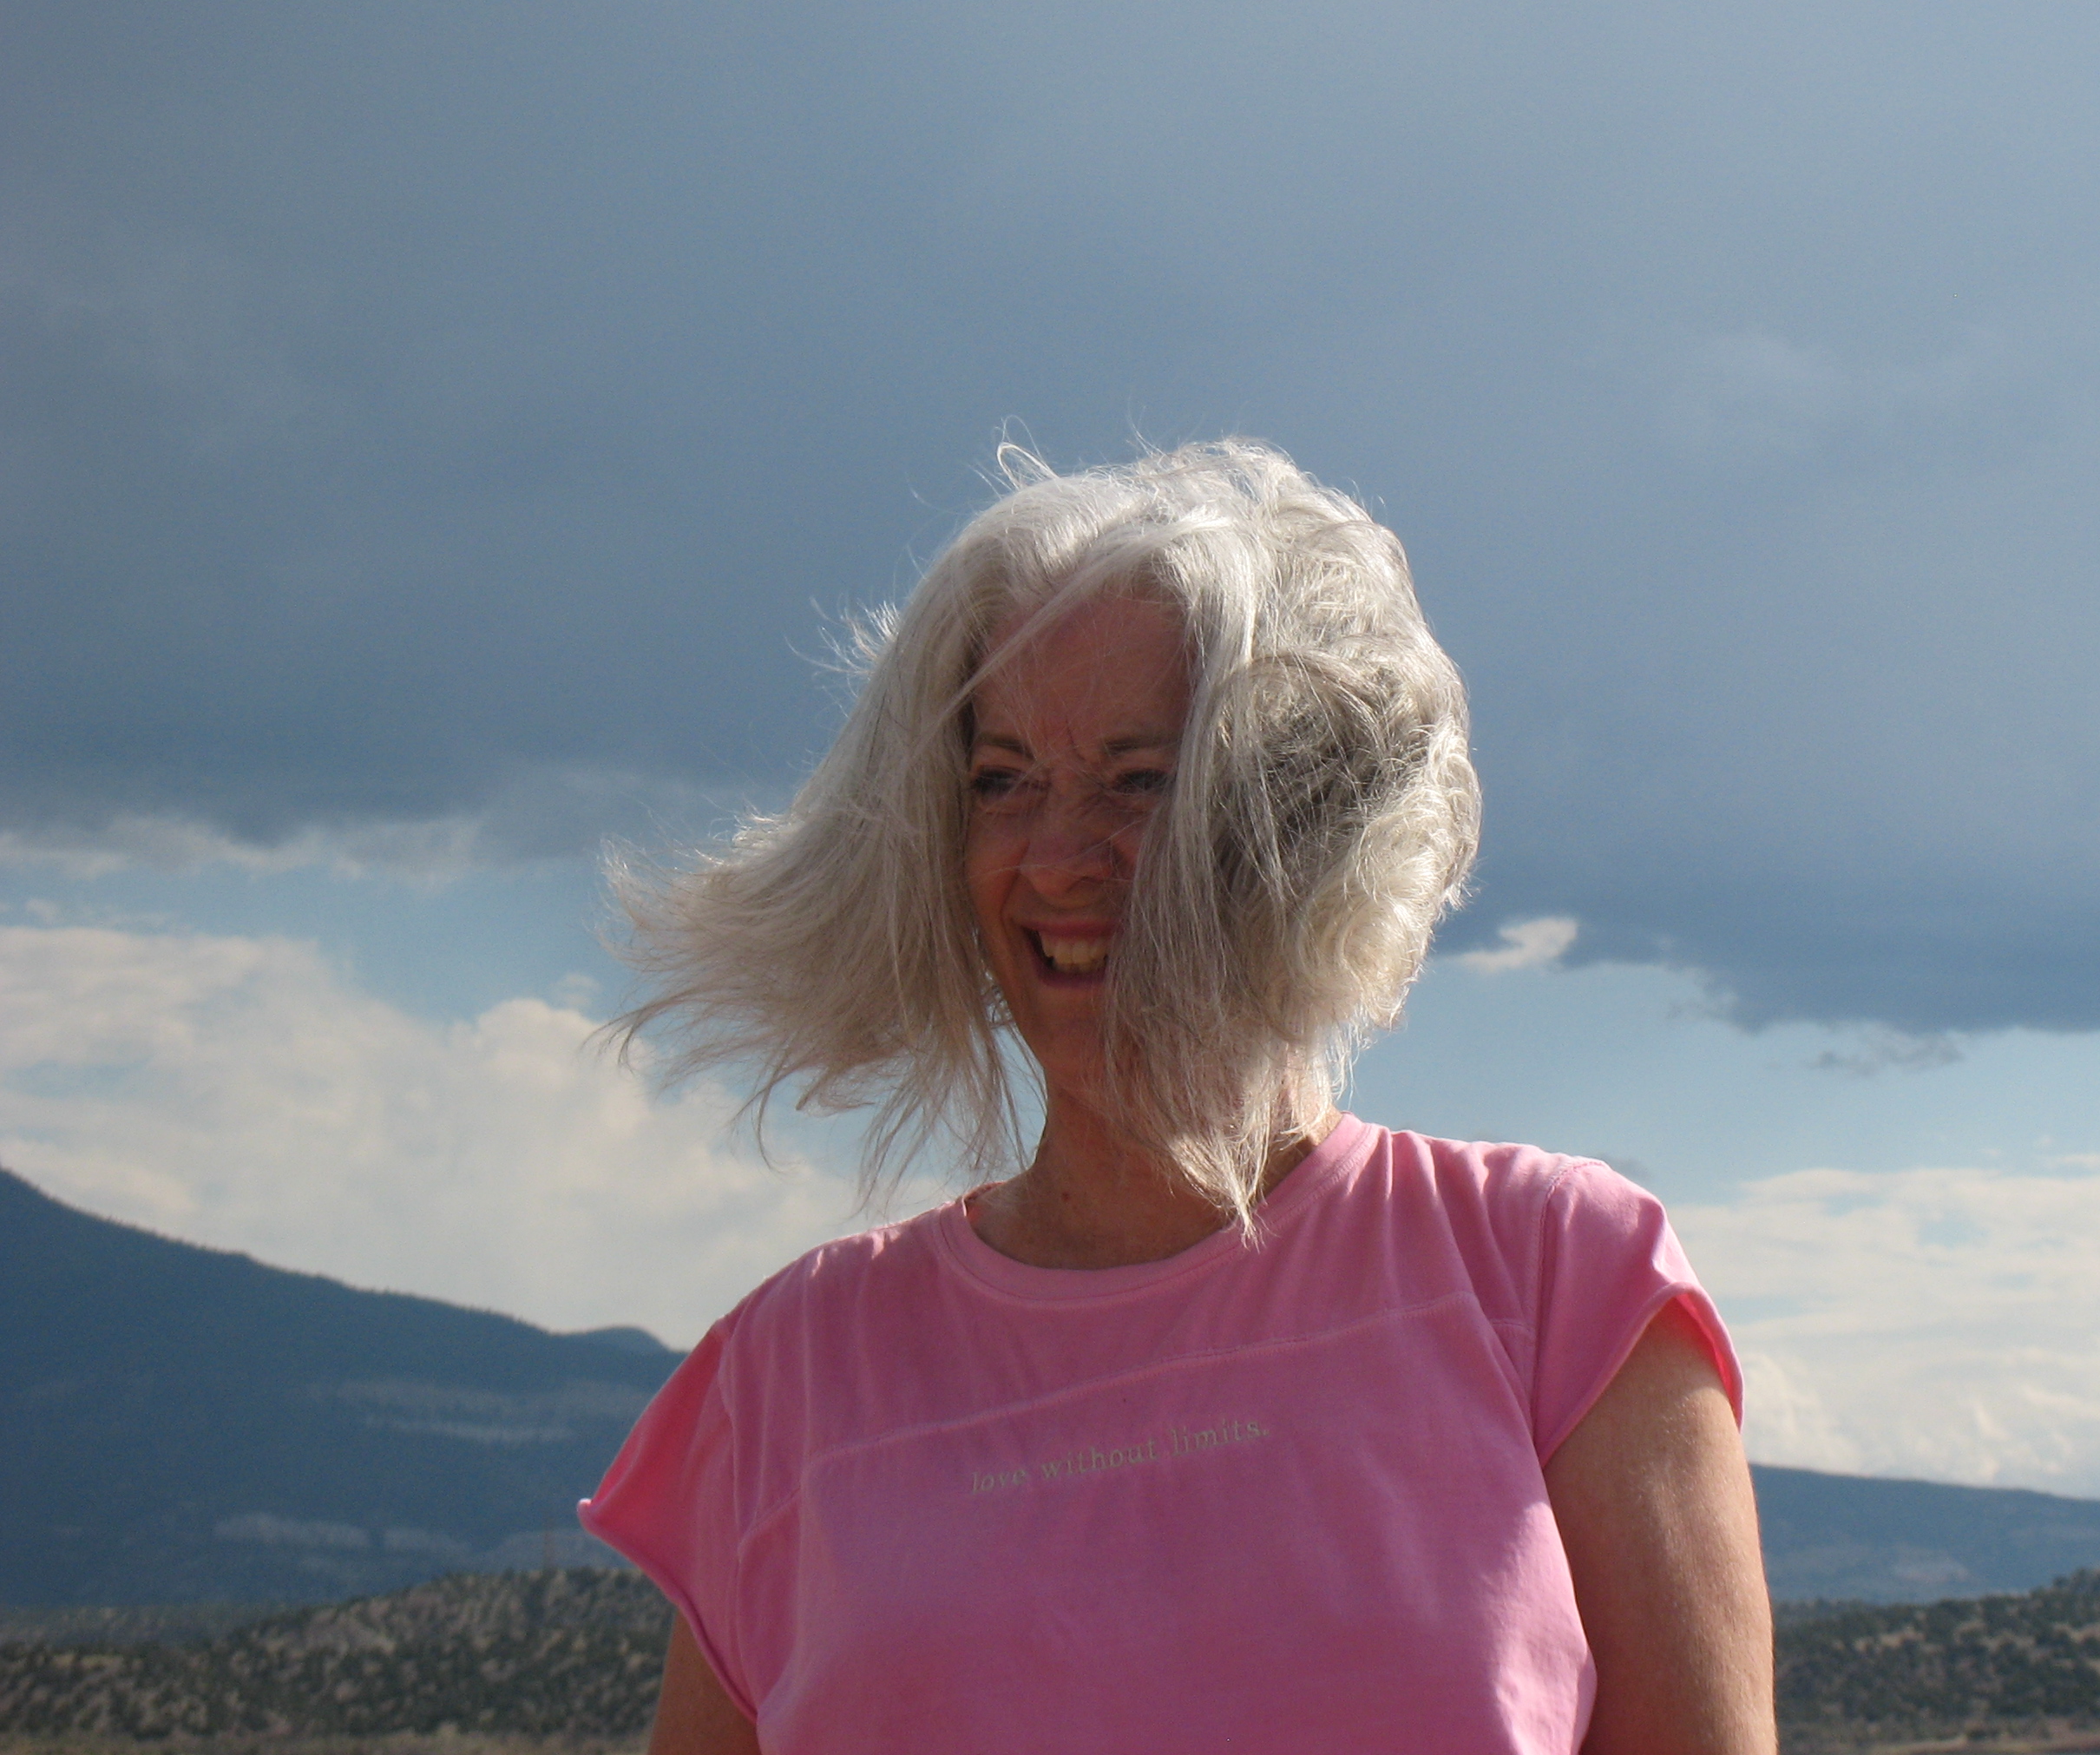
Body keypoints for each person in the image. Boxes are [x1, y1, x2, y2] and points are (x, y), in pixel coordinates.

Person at [581, 441, 1775, 1754]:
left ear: (1302, 821)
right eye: (1002, 780)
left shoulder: (1556, 1281)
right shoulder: (794, 1373)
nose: (1055, 857)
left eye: (1138, 780)